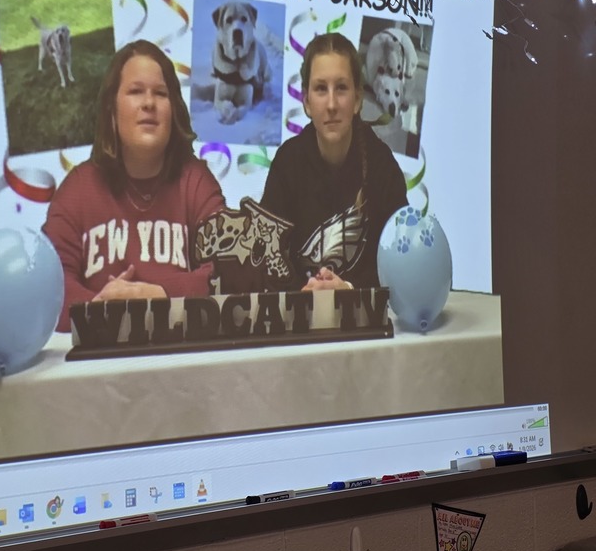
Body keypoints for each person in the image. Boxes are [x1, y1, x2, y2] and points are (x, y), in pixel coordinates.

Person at [44, 40, 225, 331]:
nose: (149, 103)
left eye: (161, 93)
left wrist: (160, 294)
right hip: (97, 365)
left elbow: (229, 272)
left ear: (174, 110)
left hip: (179, 356)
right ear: (112, 111)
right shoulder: (77, 189)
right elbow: (46, 284)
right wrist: (99, 310)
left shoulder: (196, 182)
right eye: (135, 91)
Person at [261, 32, 407, 291]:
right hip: (299, 319)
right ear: (306, 102)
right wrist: (301, 293)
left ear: (358, 99)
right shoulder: (287, 163)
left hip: (364, 319)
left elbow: (402, 262)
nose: (331, 104)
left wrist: (349, 290)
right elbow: (265, 255)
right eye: (320, 89)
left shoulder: (382, 165)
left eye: (341, 88)